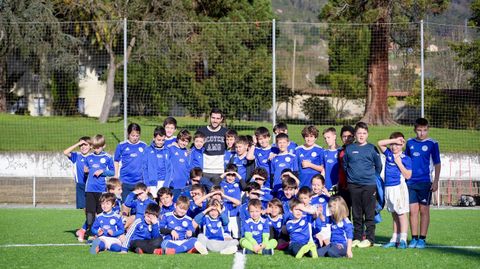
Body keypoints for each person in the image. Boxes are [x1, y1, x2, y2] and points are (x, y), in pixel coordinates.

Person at [343, 122, 382, 248]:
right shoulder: (349, 149)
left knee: (369, 212)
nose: (361, 135)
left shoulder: (372, 148)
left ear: (367, 134)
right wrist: (353, 178)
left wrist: (369, 177)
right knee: (356, 213)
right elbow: (345, 166)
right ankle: (357, 237)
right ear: (355, 134)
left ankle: (369, 239)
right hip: (353, 185)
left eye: (364, 133)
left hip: (369, 185)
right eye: (359, 133)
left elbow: (378, 166)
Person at [405, 118, 441, 249]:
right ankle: (414, 238)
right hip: (410, 182)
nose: (422, 133)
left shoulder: (433, 143)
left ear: (428, 129)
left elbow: (437, 163)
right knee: (413, 211)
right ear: (415, 130)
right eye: (419, 130)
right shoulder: (409, 143)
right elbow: (406, 161)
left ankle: (422, 239)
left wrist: (436, 181)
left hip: (425, 182)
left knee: (424, 211)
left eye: (424, 130)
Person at [378, 132, 412, 249]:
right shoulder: (388, 154)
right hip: (388, 188)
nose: (394, 147)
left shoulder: (405, 158)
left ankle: (403, 239)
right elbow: (380, 143)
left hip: (399, 188)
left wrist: (399, 163)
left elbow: (408, 175)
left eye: (398, 144)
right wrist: (393, 140)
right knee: (394, 214)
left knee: (401, 213)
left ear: (402, 144)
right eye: (393, 144)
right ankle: (394, 238)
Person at [84, 134, 114, 239]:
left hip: (101, 189)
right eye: (95, 147)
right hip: (89, 189)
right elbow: (86, 169)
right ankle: (90, 232)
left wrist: (103, 171)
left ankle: (102, 233)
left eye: (99, 147)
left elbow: (112, 172)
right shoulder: (89, 157)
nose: (97, 149)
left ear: (104, 146)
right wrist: (86, 171)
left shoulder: (108, 157)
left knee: (101, 213)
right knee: (90, 213)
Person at [63, 136, 91, 242]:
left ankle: (85, 230)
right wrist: (77, 143)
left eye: (86, 144)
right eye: (81, 145)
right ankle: (87, 229)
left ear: (91, 146)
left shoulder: (93, 157)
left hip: (91, 187)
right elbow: (65, 152)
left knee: (91, 211)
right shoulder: (76, 156)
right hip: (80, 186)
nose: (83, 147)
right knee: (87, 211)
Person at [114, 123, 148, 201]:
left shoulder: (144, 146)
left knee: (137, 206)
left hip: (139, 181)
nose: (135, 138)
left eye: (137, 136)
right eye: (133, 135)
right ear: (128, 134)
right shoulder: (121, 146)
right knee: (125, 205)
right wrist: (116, 176)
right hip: (125, 181)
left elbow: (147, 163)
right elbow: (116, 161)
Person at [198, 108, 228, 185]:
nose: (215, 120)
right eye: (213, 118)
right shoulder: (202, 131)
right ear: (210, 117)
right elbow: (195, 147)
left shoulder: (226, 132)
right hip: (205, 170)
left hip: (219, 171)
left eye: (218, 118)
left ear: (221, 119)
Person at [143, 126, 169, 198]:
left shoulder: (167, 151)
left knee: (163, 201)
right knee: (152, 202)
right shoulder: (148, 150)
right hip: (152, 182)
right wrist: (147, 184)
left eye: (163, 140)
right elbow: (144, 168)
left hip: (163, 182)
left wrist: (166, 183)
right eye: (158, 140)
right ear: (154, 138)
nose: (161, 142)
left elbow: (170, 169)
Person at [165, 129, 192, 198]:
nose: (184, 143)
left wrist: (188, 179)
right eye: (182, 140)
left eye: (186, 141)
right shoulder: (171, 149)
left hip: (184, 183)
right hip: (173, 183)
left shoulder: (187, 152)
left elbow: (188, 167)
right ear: (178, 139)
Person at [337, 125, 355, 214]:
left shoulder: (358, 149)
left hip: (356, 186)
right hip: (343, 186)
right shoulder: (340, 151)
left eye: (349, 136)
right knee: (344, 213)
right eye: (344, 136)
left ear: (354, 137)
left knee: (357, 214)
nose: (346, 138)